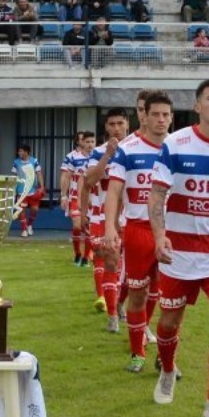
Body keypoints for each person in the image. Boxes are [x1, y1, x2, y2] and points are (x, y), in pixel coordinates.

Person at [148, 82, 209, 417]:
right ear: (197, 105)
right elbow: (156, 194)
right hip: (178, 255)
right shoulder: (176, 142)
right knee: (169, 323)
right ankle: (167, 370)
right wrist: (159, 236)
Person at [105, 91, 170, 373]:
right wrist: (110, 226)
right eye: (154, 113)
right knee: (138, 293)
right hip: (138, 230)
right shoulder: (128, 150)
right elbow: (115, 190)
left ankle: (162, 350)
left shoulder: (179, 147)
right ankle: (137, 352)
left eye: (165, 114)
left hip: (172, 231)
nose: (160, 119)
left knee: (168, 296)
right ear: (143, 115)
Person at [81, 109, 131, 330]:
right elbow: (90, 180)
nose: (116, 128)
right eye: (112, 124)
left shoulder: (137, 149)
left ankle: (119, 303)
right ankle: (112, 316)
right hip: (103, 217)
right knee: (110, 262)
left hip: (131, 218)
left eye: (120, 123)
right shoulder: (97, 153)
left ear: (128, 125)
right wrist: (107, 156)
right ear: (106, 127)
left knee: (132, 272)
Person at [61, 132, 96, 267]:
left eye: (92, 142)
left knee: (89, 227)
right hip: (75, 197)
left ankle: (86, 258)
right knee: (77, 225)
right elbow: (66, 176)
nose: (89, 144)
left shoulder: (99, 157)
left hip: (93, 198)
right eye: (86, 141)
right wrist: (64, 195)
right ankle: (77, 253)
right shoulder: (72, 157)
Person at [13, 144, 45, 237]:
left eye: (21, 151)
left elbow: (39, 174)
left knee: (35, 209)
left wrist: (42, 186)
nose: (19, 153)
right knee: (21, 210)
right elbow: (14, 175)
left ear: (27, 152)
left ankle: (30, 225)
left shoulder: (34, 161)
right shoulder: (16, 162)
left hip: (33, 190)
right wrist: (13, 189)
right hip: (21, 190)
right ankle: (24, 229)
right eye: (19, 151)